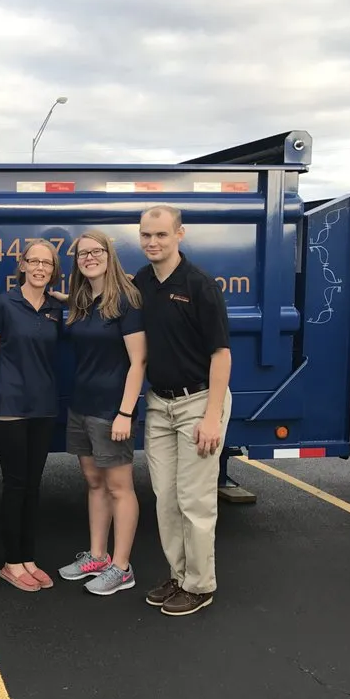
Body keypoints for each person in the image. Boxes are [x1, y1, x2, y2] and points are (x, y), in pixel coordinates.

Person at [132, 204, 232, 617]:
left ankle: (200, 584)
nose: (152, 242)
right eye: (146, 235)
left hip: (198, 404)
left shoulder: (199, 284)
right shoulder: (141, 282)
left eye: (161, 235)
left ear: (179, 235)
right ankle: (178, 576)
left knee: (195, 500)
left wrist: (211, 418)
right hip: (160, 405)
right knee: (166, 499)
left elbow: (221, 354)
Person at [52, 230, 148, 597]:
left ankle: (121, 568)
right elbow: (73, 307)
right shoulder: (83, 302)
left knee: (119, 488)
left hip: (111, 410)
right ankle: (97, 555)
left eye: (96, 251)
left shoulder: (126, 299)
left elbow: (138, 361)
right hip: (81, 406)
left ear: (109, 255)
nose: (89, 257)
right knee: (94, 483)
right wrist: (60, 297)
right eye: (82, 254)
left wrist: (125, 412)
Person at [0, 239, 65, 592]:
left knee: (34, 485)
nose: (39, 268)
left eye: (46, 264)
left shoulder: (54, 308)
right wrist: (2, 389)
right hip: (12, 408)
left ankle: (28, 557)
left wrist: (63, 297)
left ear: (53, 270)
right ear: (21, 265)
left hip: (44, 406)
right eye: (33, 261)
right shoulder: (3, 303)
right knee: (16, 484)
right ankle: (11, 562)